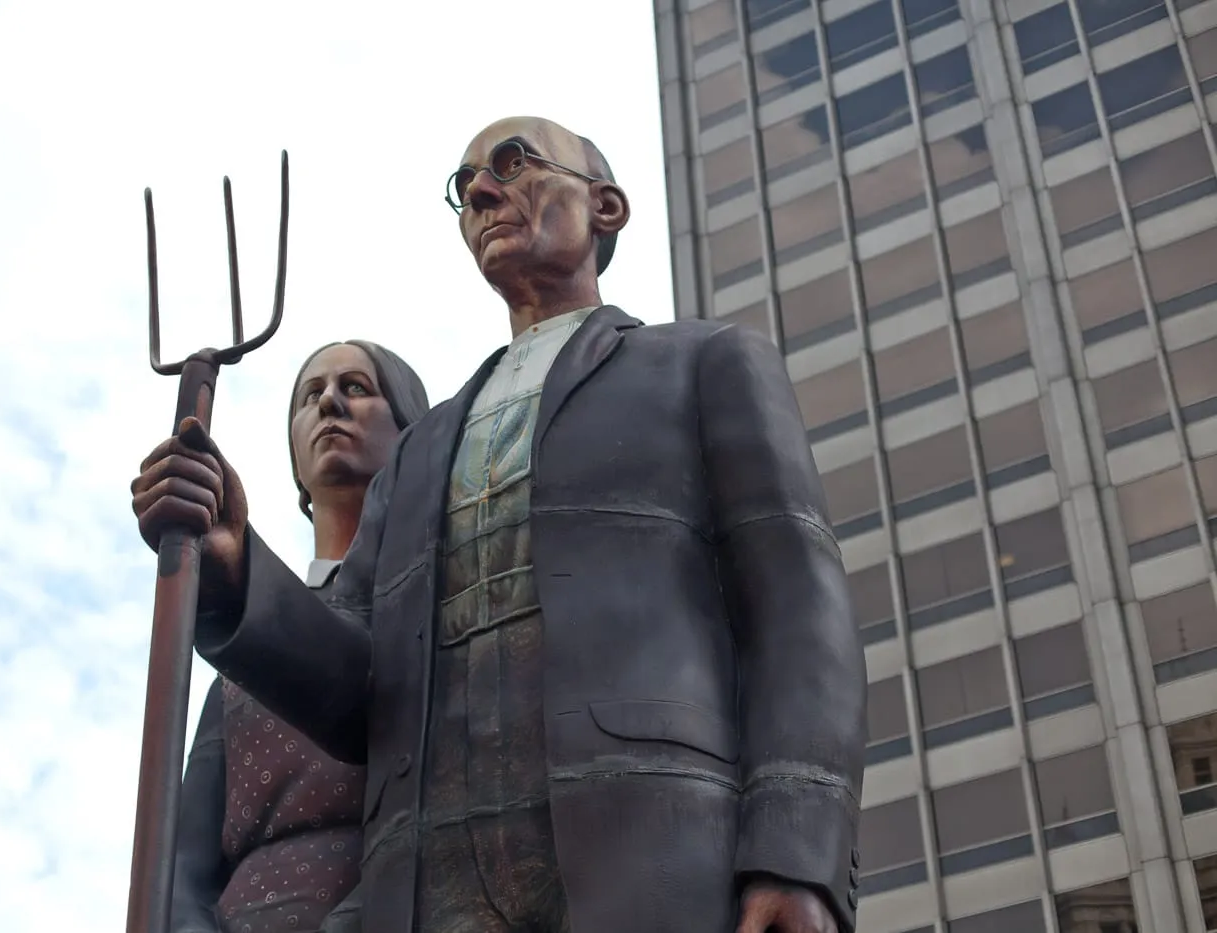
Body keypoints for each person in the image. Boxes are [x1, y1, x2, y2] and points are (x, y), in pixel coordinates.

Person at [132, 116, 867, 933]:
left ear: (607, 207)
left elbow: (799, 613)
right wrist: (239, 570)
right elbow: (358, 693)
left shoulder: (704, 363)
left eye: (512, 163)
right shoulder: (418, 457)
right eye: (466, 186)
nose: (481, 191)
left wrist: (796, 853)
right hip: (430, 883)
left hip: (650, 843)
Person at [159, 339, 430, 933]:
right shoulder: (239, 664)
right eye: (311, 395)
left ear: (415, 435)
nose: (330, 402)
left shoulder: (443, 617)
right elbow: (181, 871)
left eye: (356, 387)